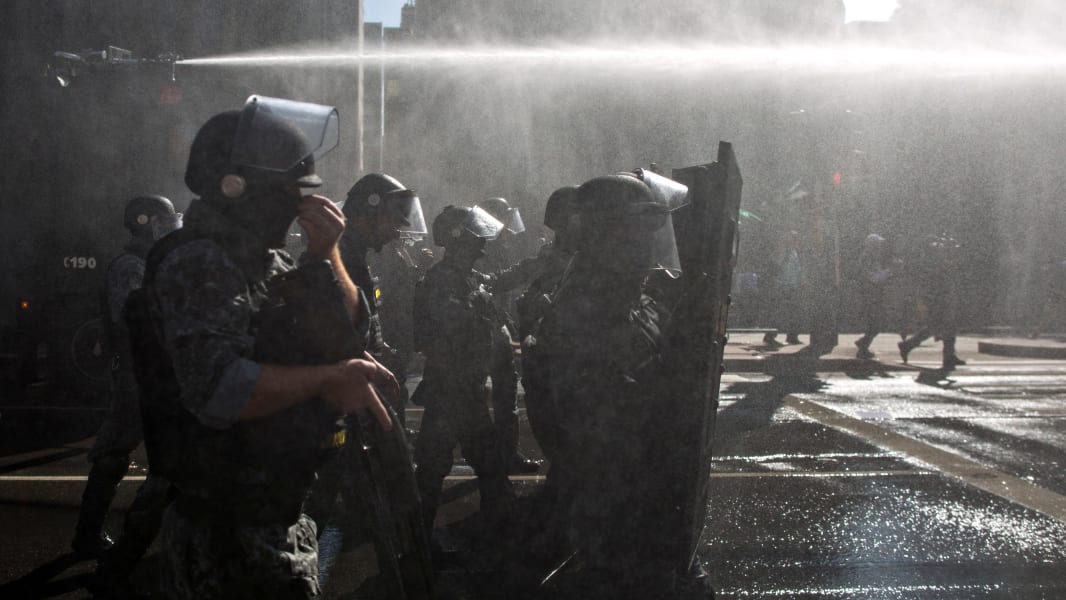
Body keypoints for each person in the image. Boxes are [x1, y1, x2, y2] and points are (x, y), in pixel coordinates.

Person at [138, 95, 396, 599]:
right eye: (290, 189)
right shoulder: (201, 262)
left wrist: (327, 254)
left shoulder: (264, 260)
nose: (302, 203)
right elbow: (219, 390)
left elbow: (347, 330)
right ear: (242, 189)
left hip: (273, 511)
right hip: (226, 531)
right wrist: (327, 379)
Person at [526, 171, 705, 598]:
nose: (648, 250)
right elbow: (598, 436)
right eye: (637, 236)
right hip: (618, 516)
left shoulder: (630, 302)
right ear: (609, 239)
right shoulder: (582, 318)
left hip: (648, 510)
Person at [71, 195, 181, 559]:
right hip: (136, 374)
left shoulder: (149, 263)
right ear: (146, 223)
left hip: (149, 373)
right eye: (163, 221)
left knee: (164, 455)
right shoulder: (130, 267)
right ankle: (91, 539)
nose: (169, 226)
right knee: (116, 451)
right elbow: (134, 321)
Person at [411, 205, 516, 540]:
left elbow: (496, 284)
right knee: (433, 468)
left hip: (464, 387)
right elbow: (450, 330)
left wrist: (540, 264)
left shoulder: (464, 277)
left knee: (483, 462)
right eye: (475, 240)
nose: (482, 247)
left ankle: (495, 526)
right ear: (459, 241)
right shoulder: (442, 281)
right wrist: (480, 310)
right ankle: (414, 543)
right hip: (449, 388)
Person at [478, 197, 541, 474]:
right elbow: (494, 282)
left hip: (497, 327)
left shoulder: (498, 246)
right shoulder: (479, 246)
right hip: (481, 329)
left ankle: (506, 453)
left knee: (505, 394)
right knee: (475, 396)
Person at [898, 233, 966, 370]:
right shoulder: (932, 263)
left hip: (941, 297)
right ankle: (910, 346)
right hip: (937, 298)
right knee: (940, 326)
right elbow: (939, 276)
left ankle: (948, 355)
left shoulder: (937, 261)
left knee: (943, 327)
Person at [854, 233, 901, 359]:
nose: (880, 247)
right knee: (876, 323)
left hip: (874, 295)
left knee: (876, 323)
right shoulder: (867, 259)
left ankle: (863, 344)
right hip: (870, 296)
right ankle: (863, 345)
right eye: (877, 245)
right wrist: (890, 270)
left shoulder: (873, 258)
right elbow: (874, 278)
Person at [763, 229, 804, 346]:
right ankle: (770, 336)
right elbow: (774, 262)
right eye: (793, 238)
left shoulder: (794, 252)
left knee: (792, 312)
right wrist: (780, 248)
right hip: (781, 285)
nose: (796, 241)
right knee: (778, 312)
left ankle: (792, 336)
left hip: (791, 285)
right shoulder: (783, 251)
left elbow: (796, 270)